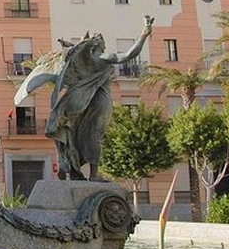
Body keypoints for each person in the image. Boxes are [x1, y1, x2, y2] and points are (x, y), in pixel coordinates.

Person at [30, 16, 154, 181]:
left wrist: (69, 46)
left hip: (80, 102)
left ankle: (67, 164)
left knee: (74, 134)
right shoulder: (103, 59)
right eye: (103, 43)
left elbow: (72, 56)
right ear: (98, 45)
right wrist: (144, 34)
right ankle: (94, 174)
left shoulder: (82, 61)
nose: (105, 46)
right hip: (99, 102)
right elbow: (129, 54)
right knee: (94, 136)